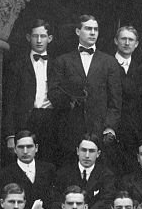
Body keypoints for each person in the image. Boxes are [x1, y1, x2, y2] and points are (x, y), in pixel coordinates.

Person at [48, 14, 121, 157]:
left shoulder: (109, 62)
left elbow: (115, 101)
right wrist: (71, 101)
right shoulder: (63, 61)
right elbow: (53, 93)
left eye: (96, 29)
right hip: (70, 128)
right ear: (77, 31)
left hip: (99, 130)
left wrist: (109, 127)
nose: (93, 33)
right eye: (88, 29)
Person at [3, 19, 60, 164]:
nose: (39, 40)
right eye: (35, 36)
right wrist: (10, 135)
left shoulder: (58, 65)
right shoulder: (17, 65)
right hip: (27, 119)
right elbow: (10, 102)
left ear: (50, 38)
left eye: (43, 36)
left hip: (50, 120)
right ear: (29, 37)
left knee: (49, 161)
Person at [111, 25, 142, 174]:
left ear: (136, 44)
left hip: (135, 131)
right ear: (116, 41)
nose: (127, 43)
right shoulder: (106, 64)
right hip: (112, 130)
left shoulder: (141, 69)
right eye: (123, 39)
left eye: (131, 40)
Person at [0, 129, 56, 209]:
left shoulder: (49, 169)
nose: (25, 151)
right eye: (21, 147)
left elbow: (54, 199)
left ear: (36, 148)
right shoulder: (4, 174)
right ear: (15, 149)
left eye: (29, 146)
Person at [53, 134, 116, 209]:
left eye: (91, 151)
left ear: (98, 154)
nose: (87, 155)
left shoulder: (106, 175)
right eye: (83, 150)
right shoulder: (64, 173)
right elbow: (57, 199)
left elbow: (107, 200)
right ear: (77, 151)